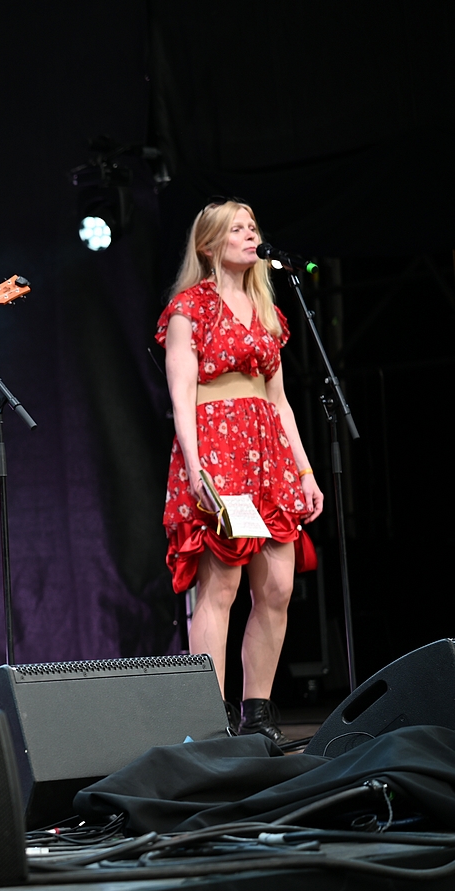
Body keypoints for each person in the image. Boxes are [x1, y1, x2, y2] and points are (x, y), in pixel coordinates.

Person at [157, 199, 324, 743]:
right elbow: (182, 396)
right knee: (222, 585)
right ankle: (211, 718)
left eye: (253, 227)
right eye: (238, 230)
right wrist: (195, 465)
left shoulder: (266, 310)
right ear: (209, 245)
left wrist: (304, 471)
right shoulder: (190, 308)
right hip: (218, 451)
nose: (251, 236)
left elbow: (279, 400)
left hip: (268, 455)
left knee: (277, 587)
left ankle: (258, 714)